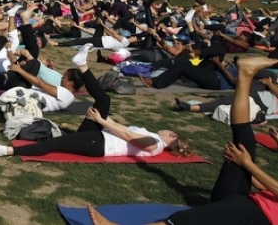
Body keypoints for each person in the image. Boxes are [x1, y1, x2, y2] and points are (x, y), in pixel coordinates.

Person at [88, 57, 278, 225]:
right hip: (245, 199)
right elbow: (267, 188)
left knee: (186, 220)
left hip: (258, 216)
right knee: (244, 142)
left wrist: (246, 164)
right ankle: (245, 74)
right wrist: (241, 168)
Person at [0, 45, 193, 159]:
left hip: (98, 144)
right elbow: (125, 129)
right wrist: (103, 119)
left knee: (55, 145)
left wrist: (101, 121)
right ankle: (82, 65)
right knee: (104, 98)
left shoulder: (155, 144)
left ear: (172, 136)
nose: (165, 130)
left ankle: (9, 151)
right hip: (100, 134)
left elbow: (128, 135)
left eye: (169, 130)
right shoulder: (153, 137)